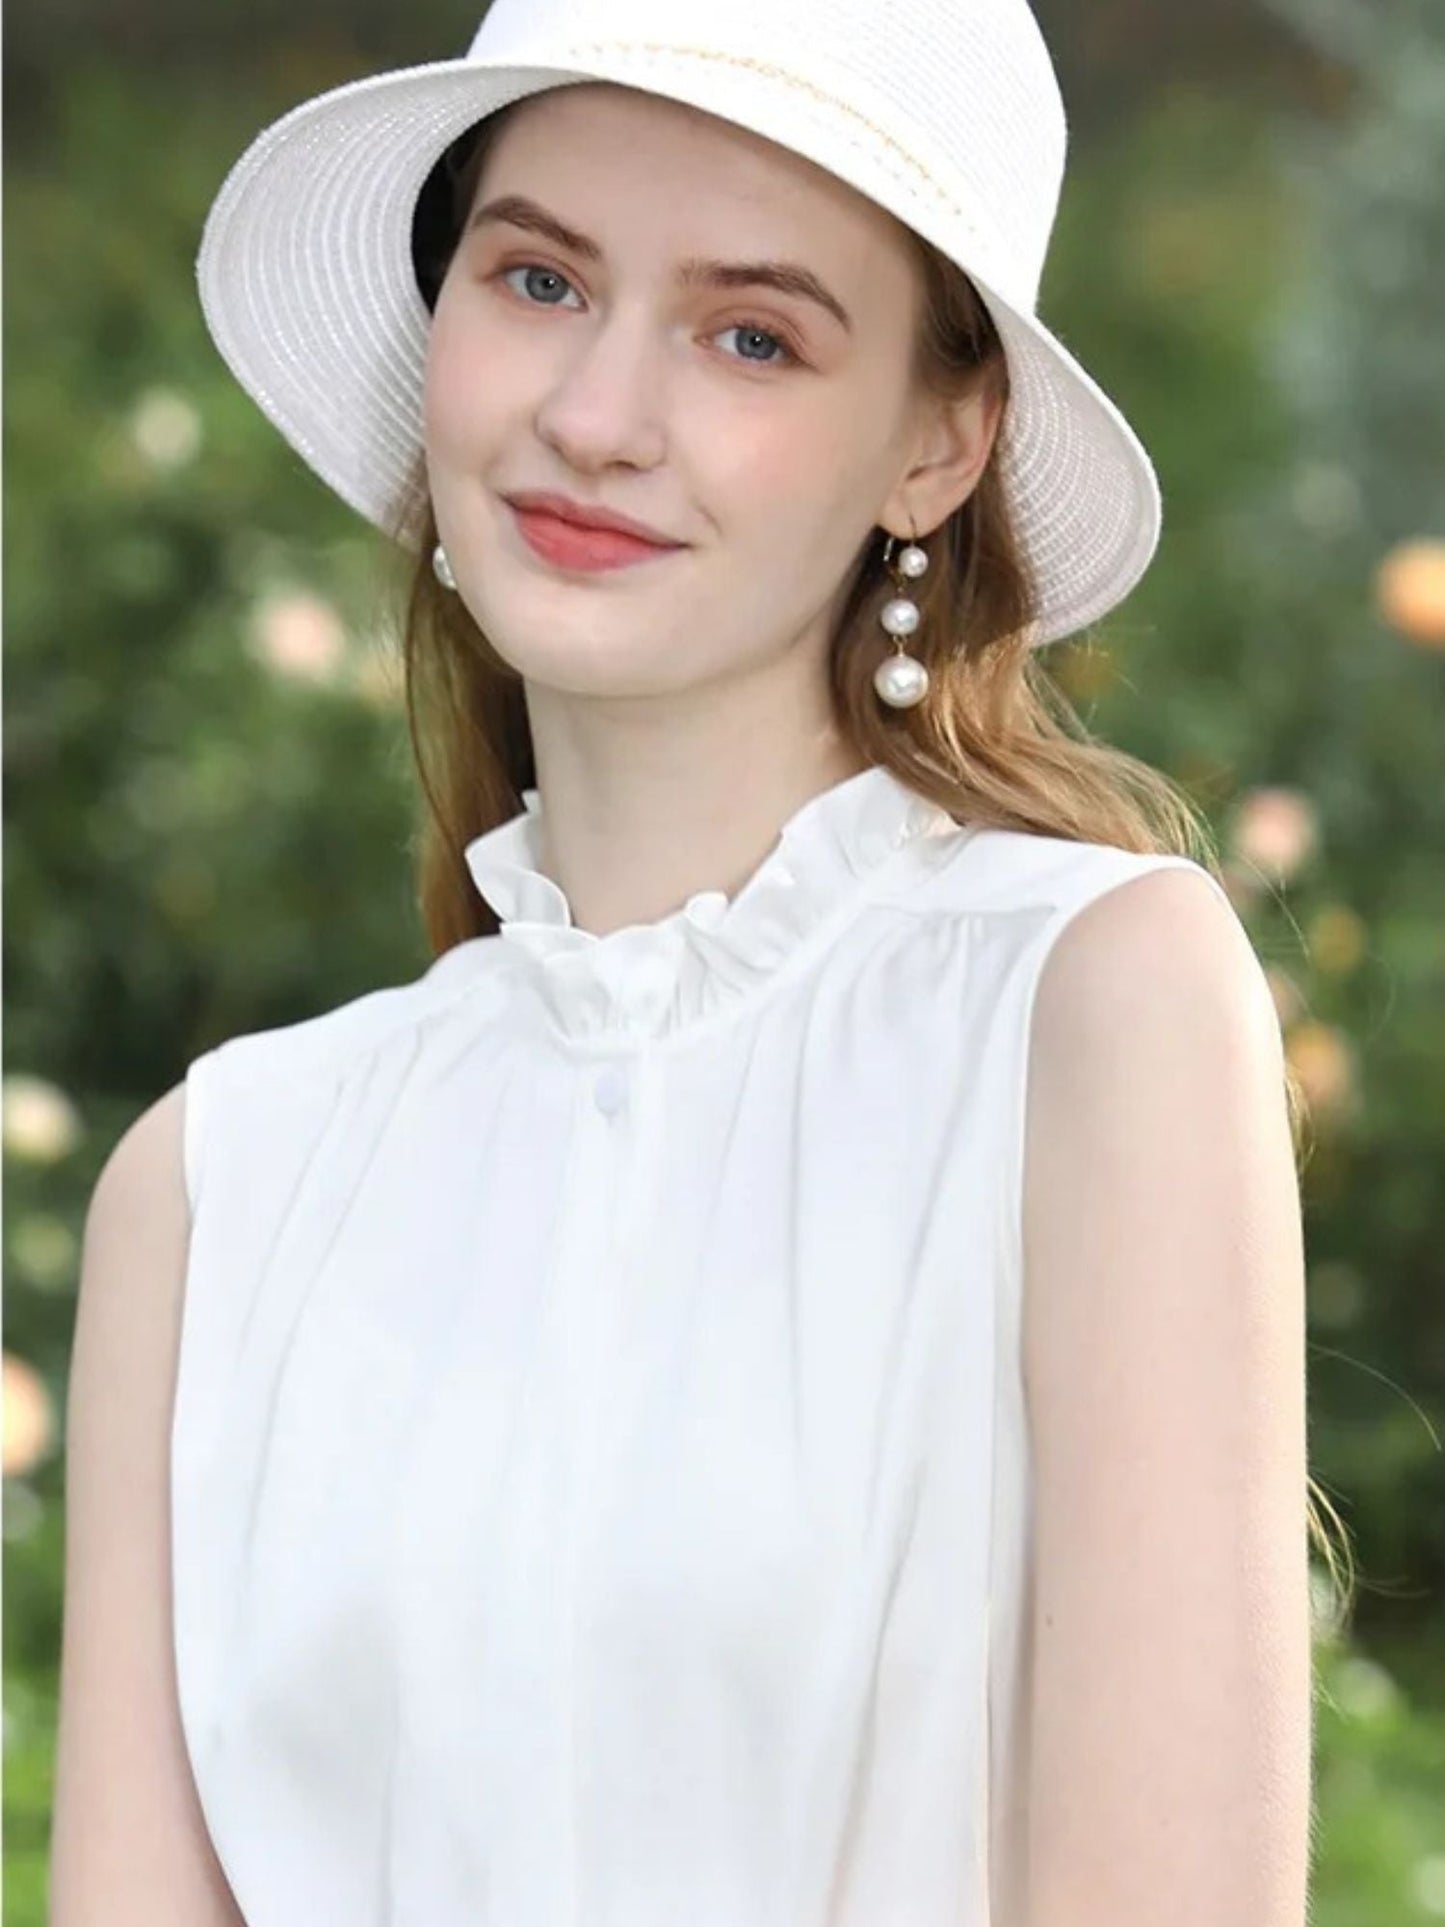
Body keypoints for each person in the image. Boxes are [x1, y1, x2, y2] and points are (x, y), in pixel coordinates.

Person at [49, 2, 1320, 1923]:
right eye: (540, 279)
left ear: (938, 443)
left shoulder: (1090, 1006)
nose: (596, 417)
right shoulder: (218, 1188)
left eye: (751, 336)